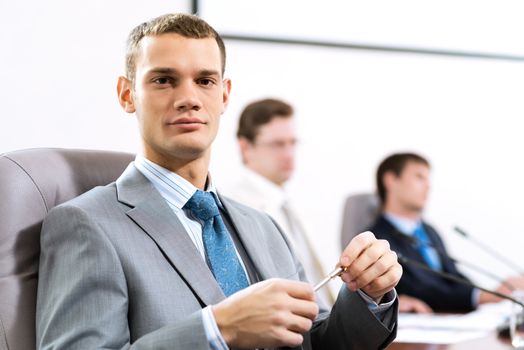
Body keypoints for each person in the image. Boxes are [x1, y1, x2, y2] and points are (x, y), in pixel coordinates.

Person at [35, 13, 401, 349]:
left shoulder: (263, 226)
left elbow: (316, 342)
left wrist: (370, 295)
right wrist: (216, 329)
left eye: (205, 81)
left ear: (224, 95)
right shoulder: (85, 224)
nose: (189, 99)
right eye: (164, 80)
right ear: (127, 94)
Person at [369, 152, 521, 313]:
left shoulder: (430, 231)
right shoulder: (377, 240)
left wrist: (489, 292)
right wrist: (481, 296)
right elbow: (417, 289)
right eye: (419, 177)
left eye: (428, 179)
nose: (428, 185)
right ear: (391, 180)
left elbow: (452, 275)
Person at [222, 98, 334, 308]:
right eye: (277, 144)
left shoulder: (294, 203)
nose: (289, 154)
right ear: (245, 147)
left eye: (292, 143)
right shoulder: (234, 209)